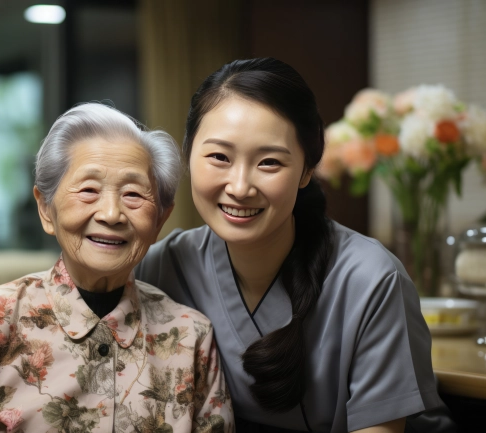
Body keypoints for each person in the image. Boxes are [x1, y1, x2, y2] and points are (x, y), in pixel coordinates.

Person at [136, 58, 451, 432]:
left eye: (269, 162)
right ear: (188, 154)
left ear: (306, 170)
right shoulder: (160, 268)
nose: (239, 187)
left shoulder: (372, 281)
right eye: (219, 157)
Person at [0, 103, 234, 433]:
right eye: (88, 190)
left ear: (160, 220)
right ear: (46, 210)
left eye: (133, 194)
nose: (111, 213)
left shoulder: (191, 338)